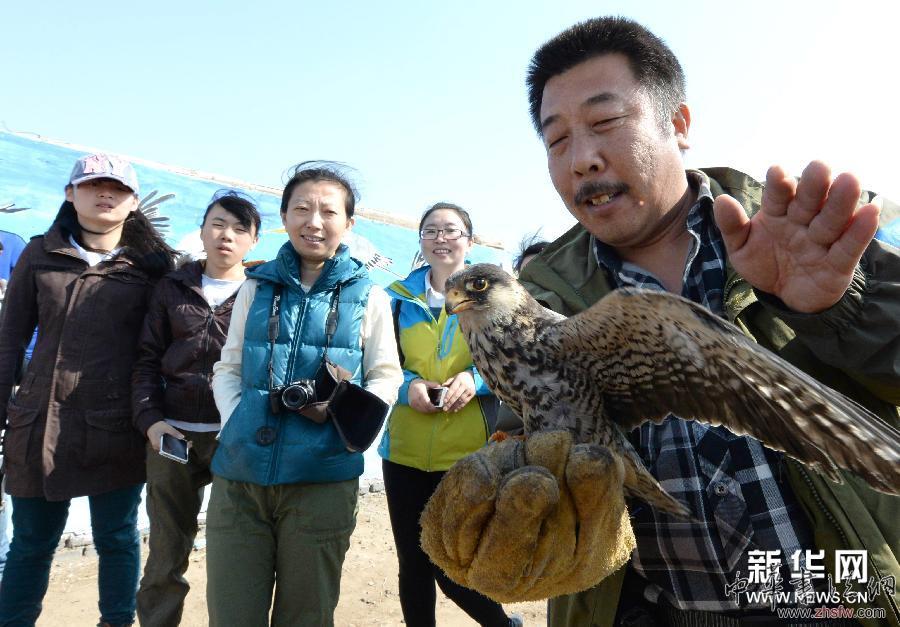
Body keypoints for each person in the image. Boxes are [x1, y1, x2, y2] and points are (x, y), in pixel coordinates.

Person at [515, 17, 900, 626]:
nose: (582, 159)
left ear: (678, 124)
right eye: (556, 140)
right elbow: (534, 445)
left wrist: (837, 310)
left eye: (606, 121)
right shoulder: (540, 301)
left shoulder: (813, 231)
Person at [206, 161, 403, 626]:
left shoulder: (369, 296)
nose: (314, 222)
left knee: (307, 616)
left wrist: (350, 432)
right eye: (301, 209)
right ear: (285, 216)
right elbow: (228, 367)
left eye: (328, 212)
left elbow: (385, 375)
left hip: (323, 480)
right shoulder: (256, 286)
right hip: (241, 476)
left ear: (349, 224)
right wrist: (239, 418)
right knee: (232, 615)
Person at [0, 153, 175, 626]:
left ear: (133, 203)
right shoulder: (39, 253)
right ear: (69, 194)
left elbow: (160, 350)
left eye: (117, 189)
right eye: (93, 185)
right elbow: (9, 341)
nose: (105, 195)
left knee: (118, 538)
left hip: (115, 424)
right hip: (38, 424)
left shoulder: (152, 269)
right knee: (31, 543)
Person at [377, 202, 522, 627]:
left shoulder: (497, 300)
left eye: (452, 231)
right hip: (402, 451)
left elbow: (513, 364)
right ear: (420, 241)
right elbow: (378, 365)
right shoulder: (394, 299)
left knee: (453, 563)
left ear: (470, 242)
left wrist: (474, 380)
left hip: (468, 454)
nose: (441, 238)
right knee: (413, 565)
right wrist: (408, 387)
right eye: (431, 231)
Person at [131, 190, 261, 626]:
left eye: (240, 229)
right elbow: (146, 359)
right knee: (167, 552)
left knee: (234, 552)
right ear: (202, 230)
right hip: (172, 435)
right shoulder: (171, 287)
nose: (227, 236)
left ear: (253, 241)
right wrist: (151, 421)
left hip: (233, 439)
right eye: (219, 224)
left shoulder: (262, 294)